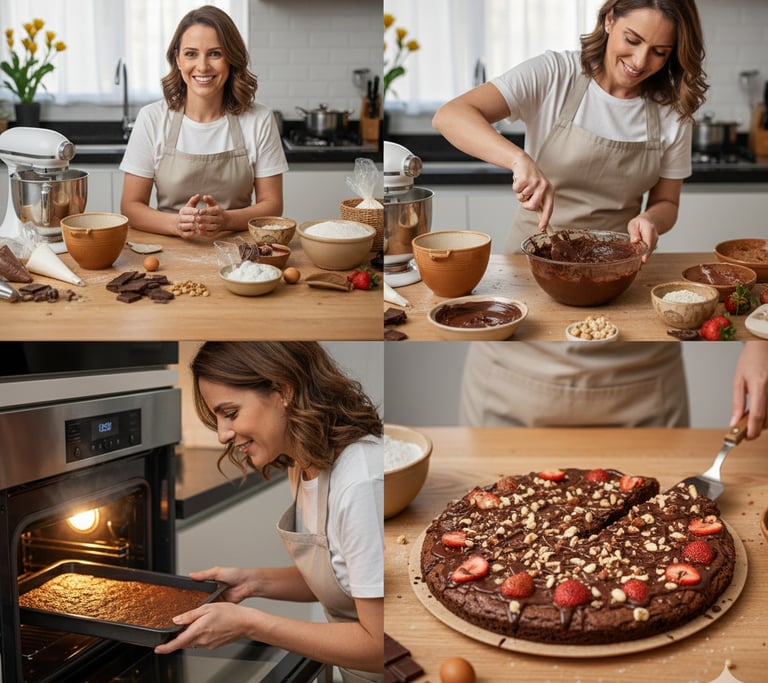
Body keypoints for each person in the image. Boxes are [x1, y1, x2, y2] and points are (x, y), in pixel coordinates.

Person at [432, 0, 768, 439]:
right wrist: (518, 158)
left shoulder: (672, 108)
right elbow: (451, 115)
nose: (641, 62)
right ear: (609, 19)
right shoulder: (554, 75)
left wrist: (651, 219)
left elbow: (667, 201)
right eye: (632, 40)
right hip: (526, 311)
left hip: (632, 338)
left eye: (661, 52)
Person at [154, 342, 384, 682]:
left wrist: (251, 624)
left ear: (283, 390)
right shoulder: (303, 464)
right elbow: (346, 579)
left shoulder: (360, 482)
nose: (222, 435)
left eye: (230, 413)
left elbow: (381, 643)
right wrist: (251, 582)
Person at [120, 5, 288, 240]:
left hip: (239, 251)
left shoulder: (259, 119)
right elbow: (131, 206)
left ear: (231, 59)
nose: (202, 66)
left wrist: (228, 220)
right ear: (177, 59)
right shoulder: (152, 118)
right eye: (191, 54)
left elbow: (272, 205)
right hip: (167, 248)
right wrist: (175, 223)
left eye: (215, 53)